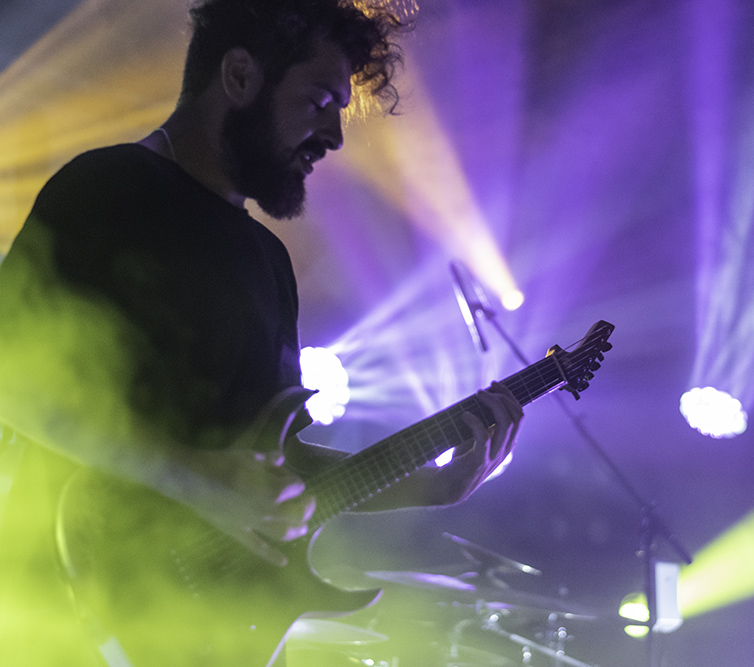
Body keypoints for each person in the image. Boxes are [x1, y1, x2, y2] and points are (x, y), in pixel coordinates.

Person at [0, 1, 523, 664]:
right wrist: (195, 477)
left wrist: (429, 488)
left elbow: (276, 468)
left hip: (195, 636)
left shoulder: (270, 263)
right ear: (241, 76)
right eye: (319, 101)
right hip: (63, 613)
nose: (333, 136)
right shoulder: (109, 187)